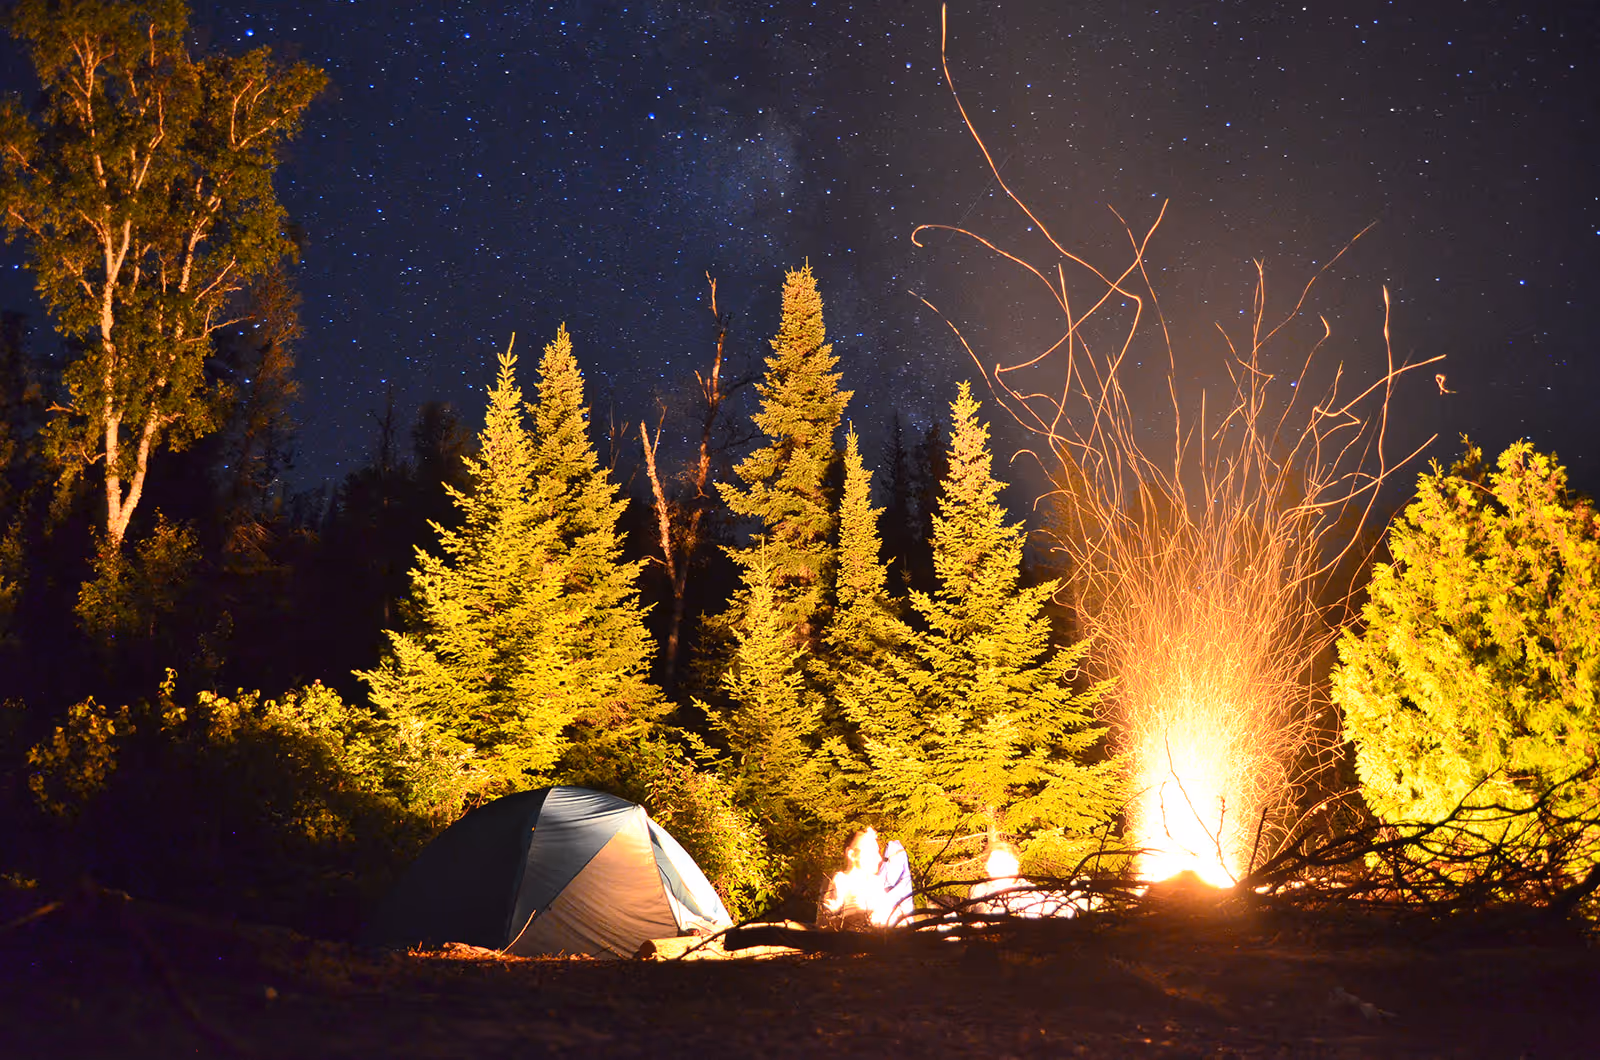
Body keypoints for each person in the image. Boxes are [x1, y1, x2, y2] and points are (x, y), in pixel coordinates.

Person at [819, 827, 892, 930]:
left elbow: (889, 916)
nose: (879, 858)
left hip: (879, 938)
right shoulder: (841, 880)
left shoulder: (876, 883)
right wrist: (851, 919)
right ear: (851, 854)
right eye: (872, 852)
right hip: (851, 939)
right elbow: (824, 921)